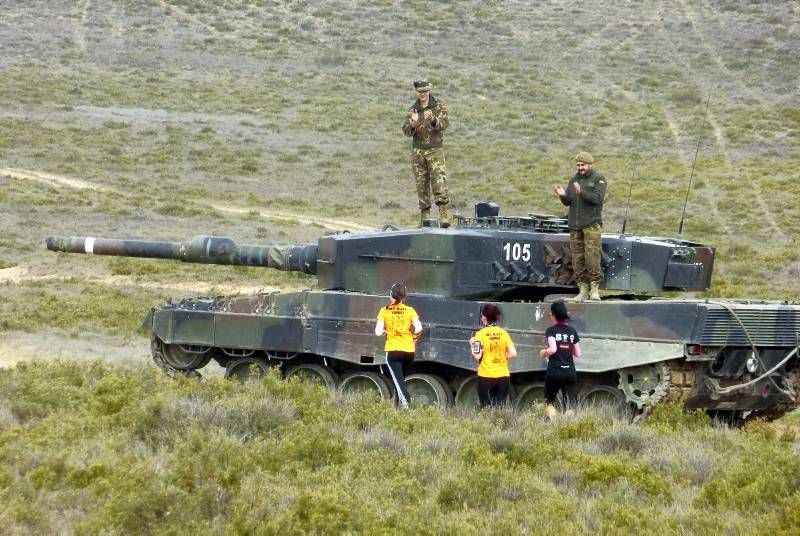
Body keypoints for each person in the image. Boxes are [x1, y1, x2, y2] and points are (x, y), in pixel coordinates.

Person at [553, 152, 607, 301]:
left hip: (591, 225)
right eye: (578, 165)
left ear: (590, 164)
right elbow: (569, 202)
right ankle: (582, 289)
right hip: (575, 226)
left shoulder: (598, 179)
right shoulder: (574, 179)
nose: (580, 168)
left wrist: (581, 192)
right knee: (577, 260)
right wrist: (563, 195)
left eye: (582, 165)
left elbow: (597, 199)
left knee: (592, 257)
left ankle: (595, 289)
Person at [402, 79, 451, 228]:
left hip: (434, 150)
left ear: (429, 91)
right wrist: (413, 123)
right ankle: (425, 219)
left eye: (424, 91)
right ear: (416, 92)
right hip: (418, 152)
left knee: (439, 182)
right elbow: (405, 131)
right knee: (421, 185)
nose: (422, 94)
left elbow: (444, 124)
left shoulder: (438, 105)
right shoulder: (413, 110)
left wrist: (434, 120)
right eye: (419, 92)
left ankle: (444, 215)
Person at [375, 283, 422, 409]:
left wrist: (384, 332)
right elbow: (418, 328)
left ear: (391, 296)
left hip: (393, 351)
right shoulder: (410, 310)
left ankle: (408, 409)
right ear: (404, 297)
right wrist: (414, 339)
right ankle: (397, 407)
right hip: (409, 351)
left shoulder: (384, 311)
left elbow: (378, 331)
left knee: (399, 383)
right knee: (400, 380)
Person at [539, 301, 581, 420]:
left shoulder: (551, 330)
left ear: (553, 315)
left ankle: (555, 423)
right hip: (570, 372)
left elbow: (553, 349)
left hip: (555, 372)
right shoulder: (572, 331)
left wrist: (543, 352)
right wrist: (567, 348)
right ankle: (566, 425)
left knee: (549, 402)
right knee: (569, 406)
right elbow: (578, 353)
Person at [469, 304, 517, 407]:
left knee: (486, 408)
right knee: (499, 407)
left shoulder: (480, 334)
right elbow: (513, 353)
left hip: (486, 376)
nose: (481, 317)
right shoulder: (503, 333)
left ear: (485, 318)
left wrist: (472, 344)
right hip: (503, 376)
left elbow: (477, 356)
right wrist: (504, 357)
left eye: (482, 315)